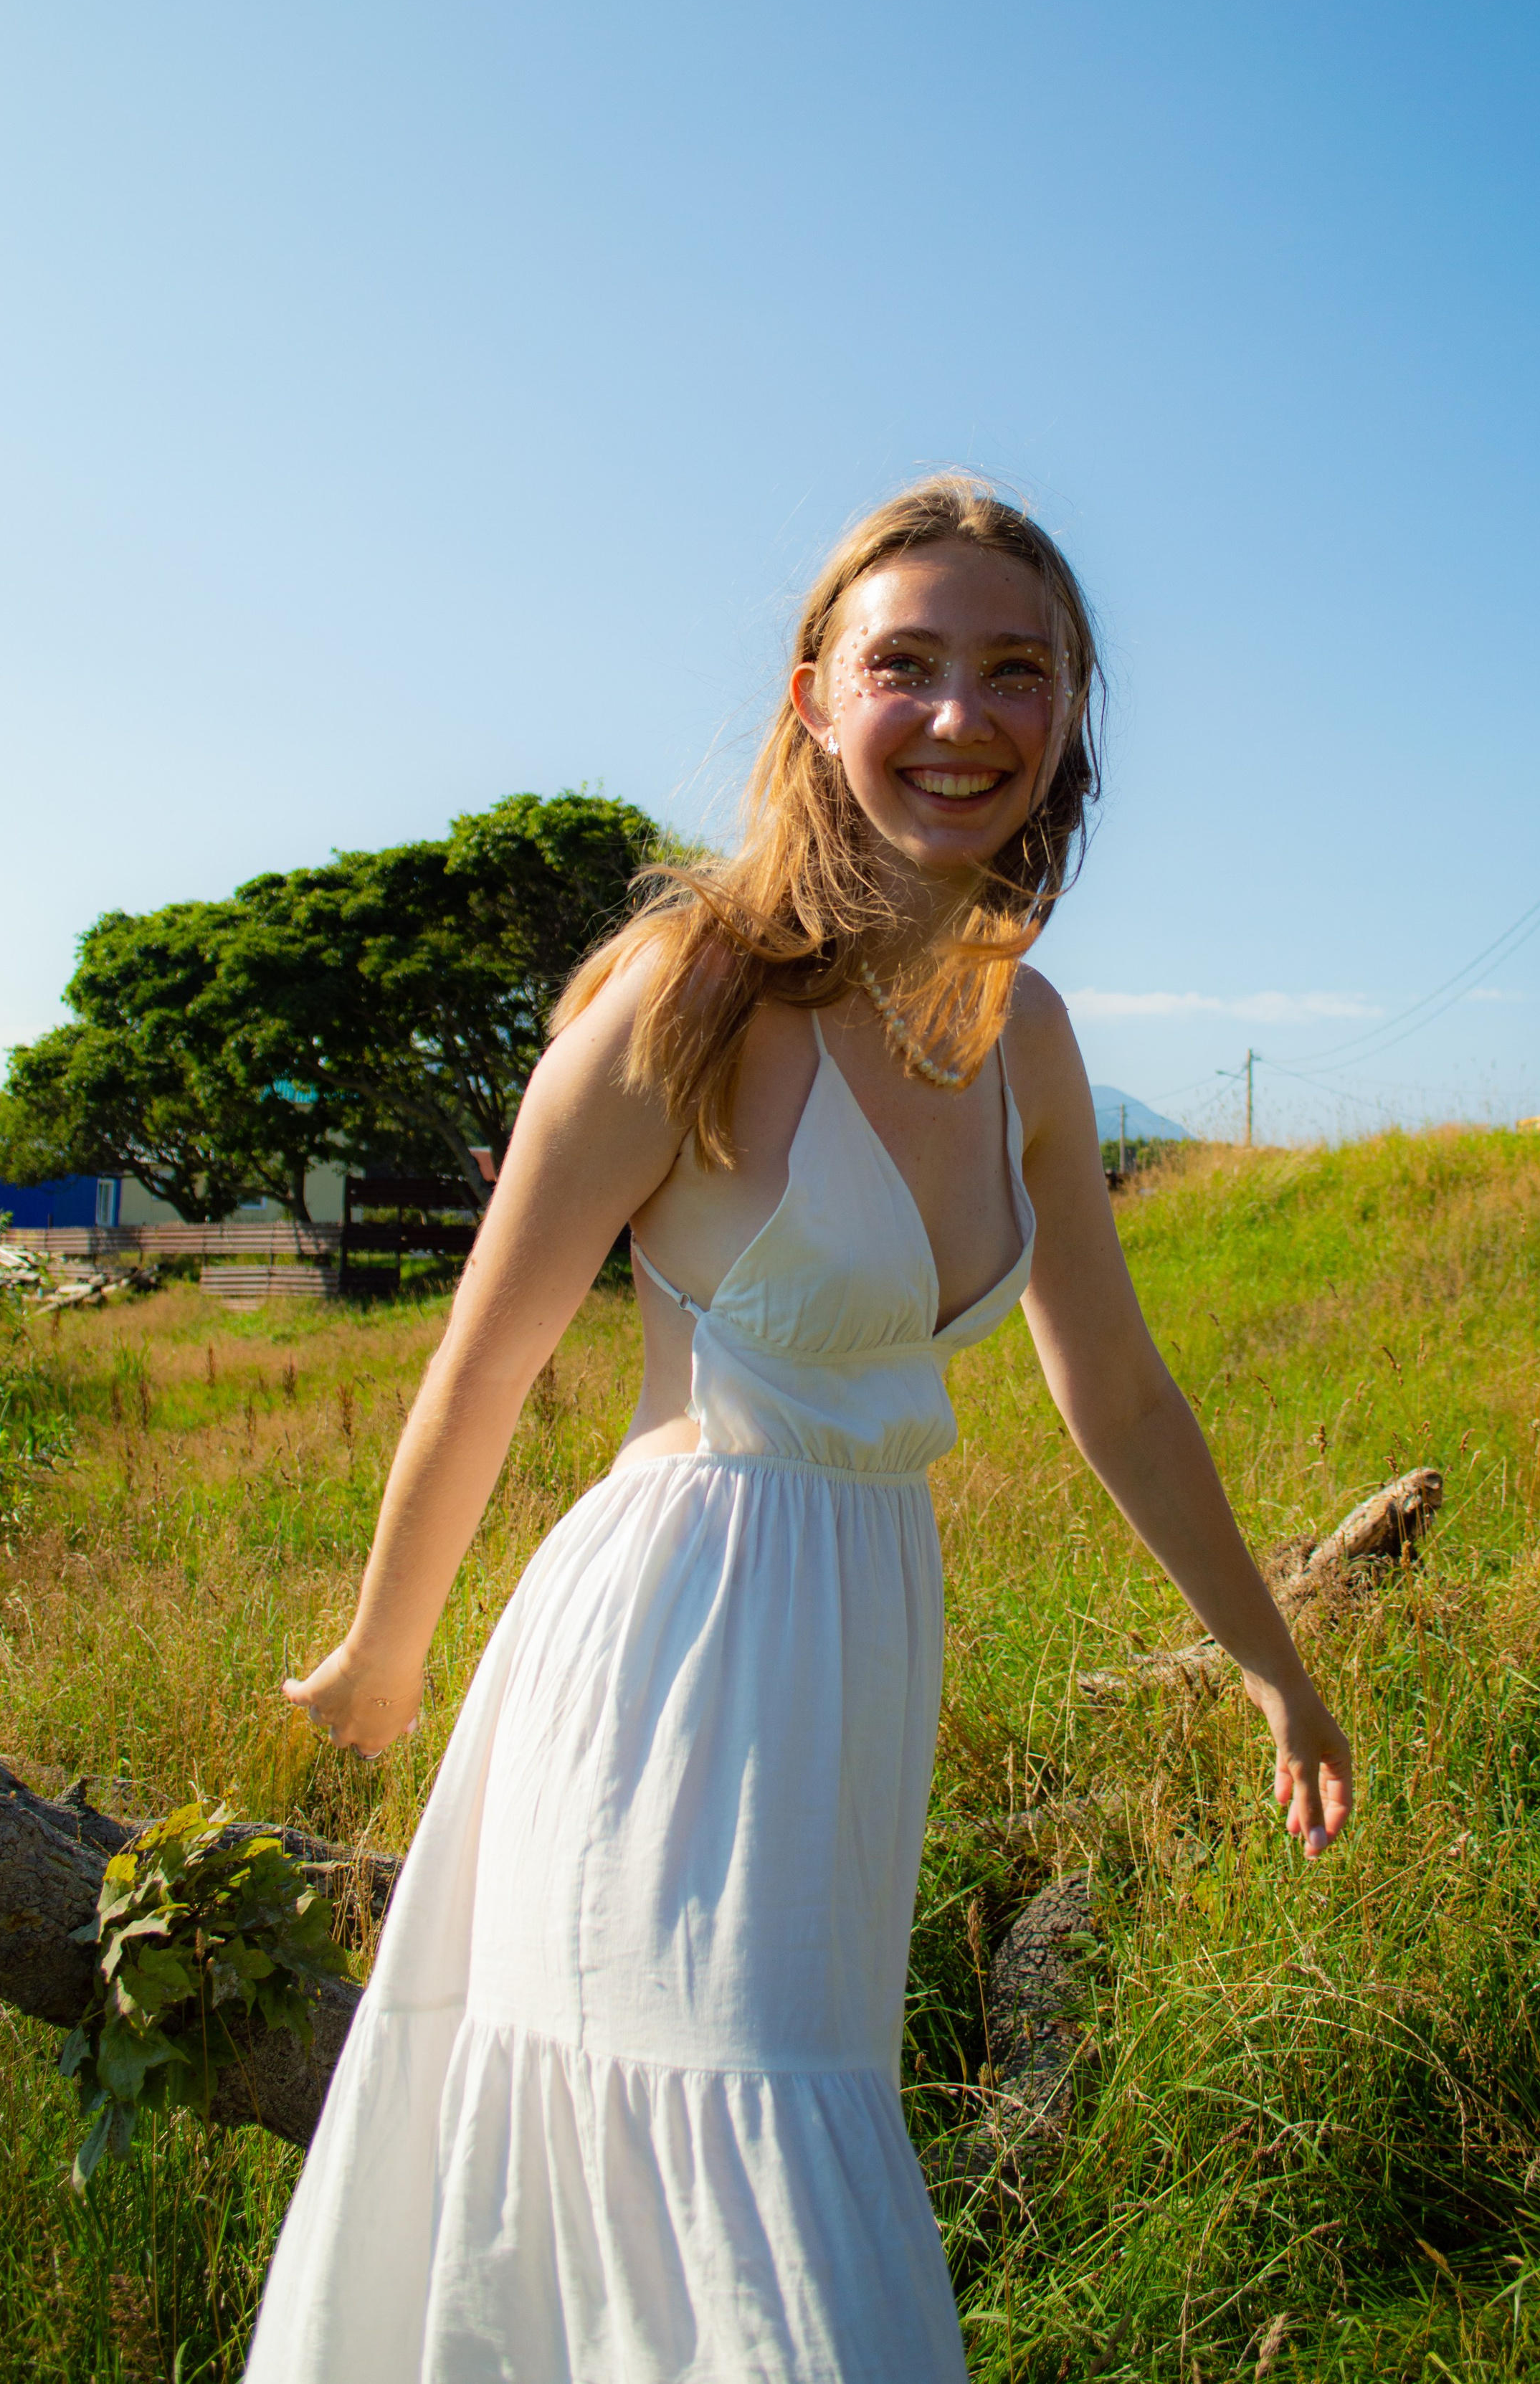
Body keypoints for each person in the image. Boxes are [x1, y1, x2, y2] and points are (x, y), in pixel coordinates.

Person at [244, 478, 1351, 2383]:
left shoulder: (1027, 1035)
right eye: (905, 663)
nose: (960, 715)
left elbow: (1119, 1390)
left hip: (856, 1663)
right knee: (737, 2218)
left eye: (1017, 670)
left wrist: (1277, 1667)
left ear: (1069, 709)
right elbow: (486, 1362)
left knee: (756, 2174)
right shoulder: (690, 992)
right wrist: (384, 1651)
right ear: (816, 694)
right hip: (670, 1655)